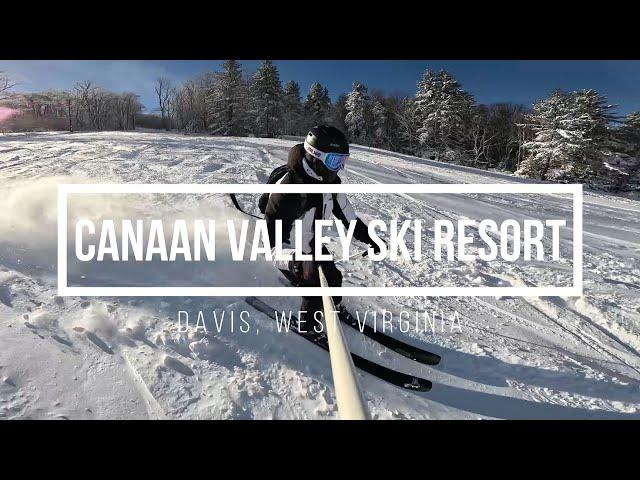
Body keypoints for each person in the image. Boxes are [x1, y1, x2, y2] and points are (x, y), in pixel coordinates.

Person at [261, 125, 382, 336]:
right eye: (335, 161)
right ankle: (309, 328)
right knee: (314, 287)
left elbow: (350, 218)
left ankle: (332, 306)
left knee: (333, 279)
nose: (339, 168)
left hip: (312, 245)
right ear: (315, 156)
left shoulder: (331, 185)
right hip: (291, 252)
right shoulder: (288, 191)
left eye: (342, 161)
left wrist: (372, 239)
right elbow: (273, 245)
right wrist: (294, 261)